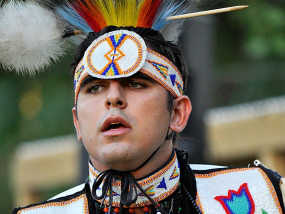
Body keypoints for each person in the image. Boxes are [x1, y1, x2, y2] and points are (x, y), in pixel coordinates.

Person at [0, 0, 283, 213]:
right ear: (77, 123)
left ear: (178, 112)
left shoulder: (262, 197)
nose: (113, 99)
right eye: (94, 88)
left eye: (136, 84)